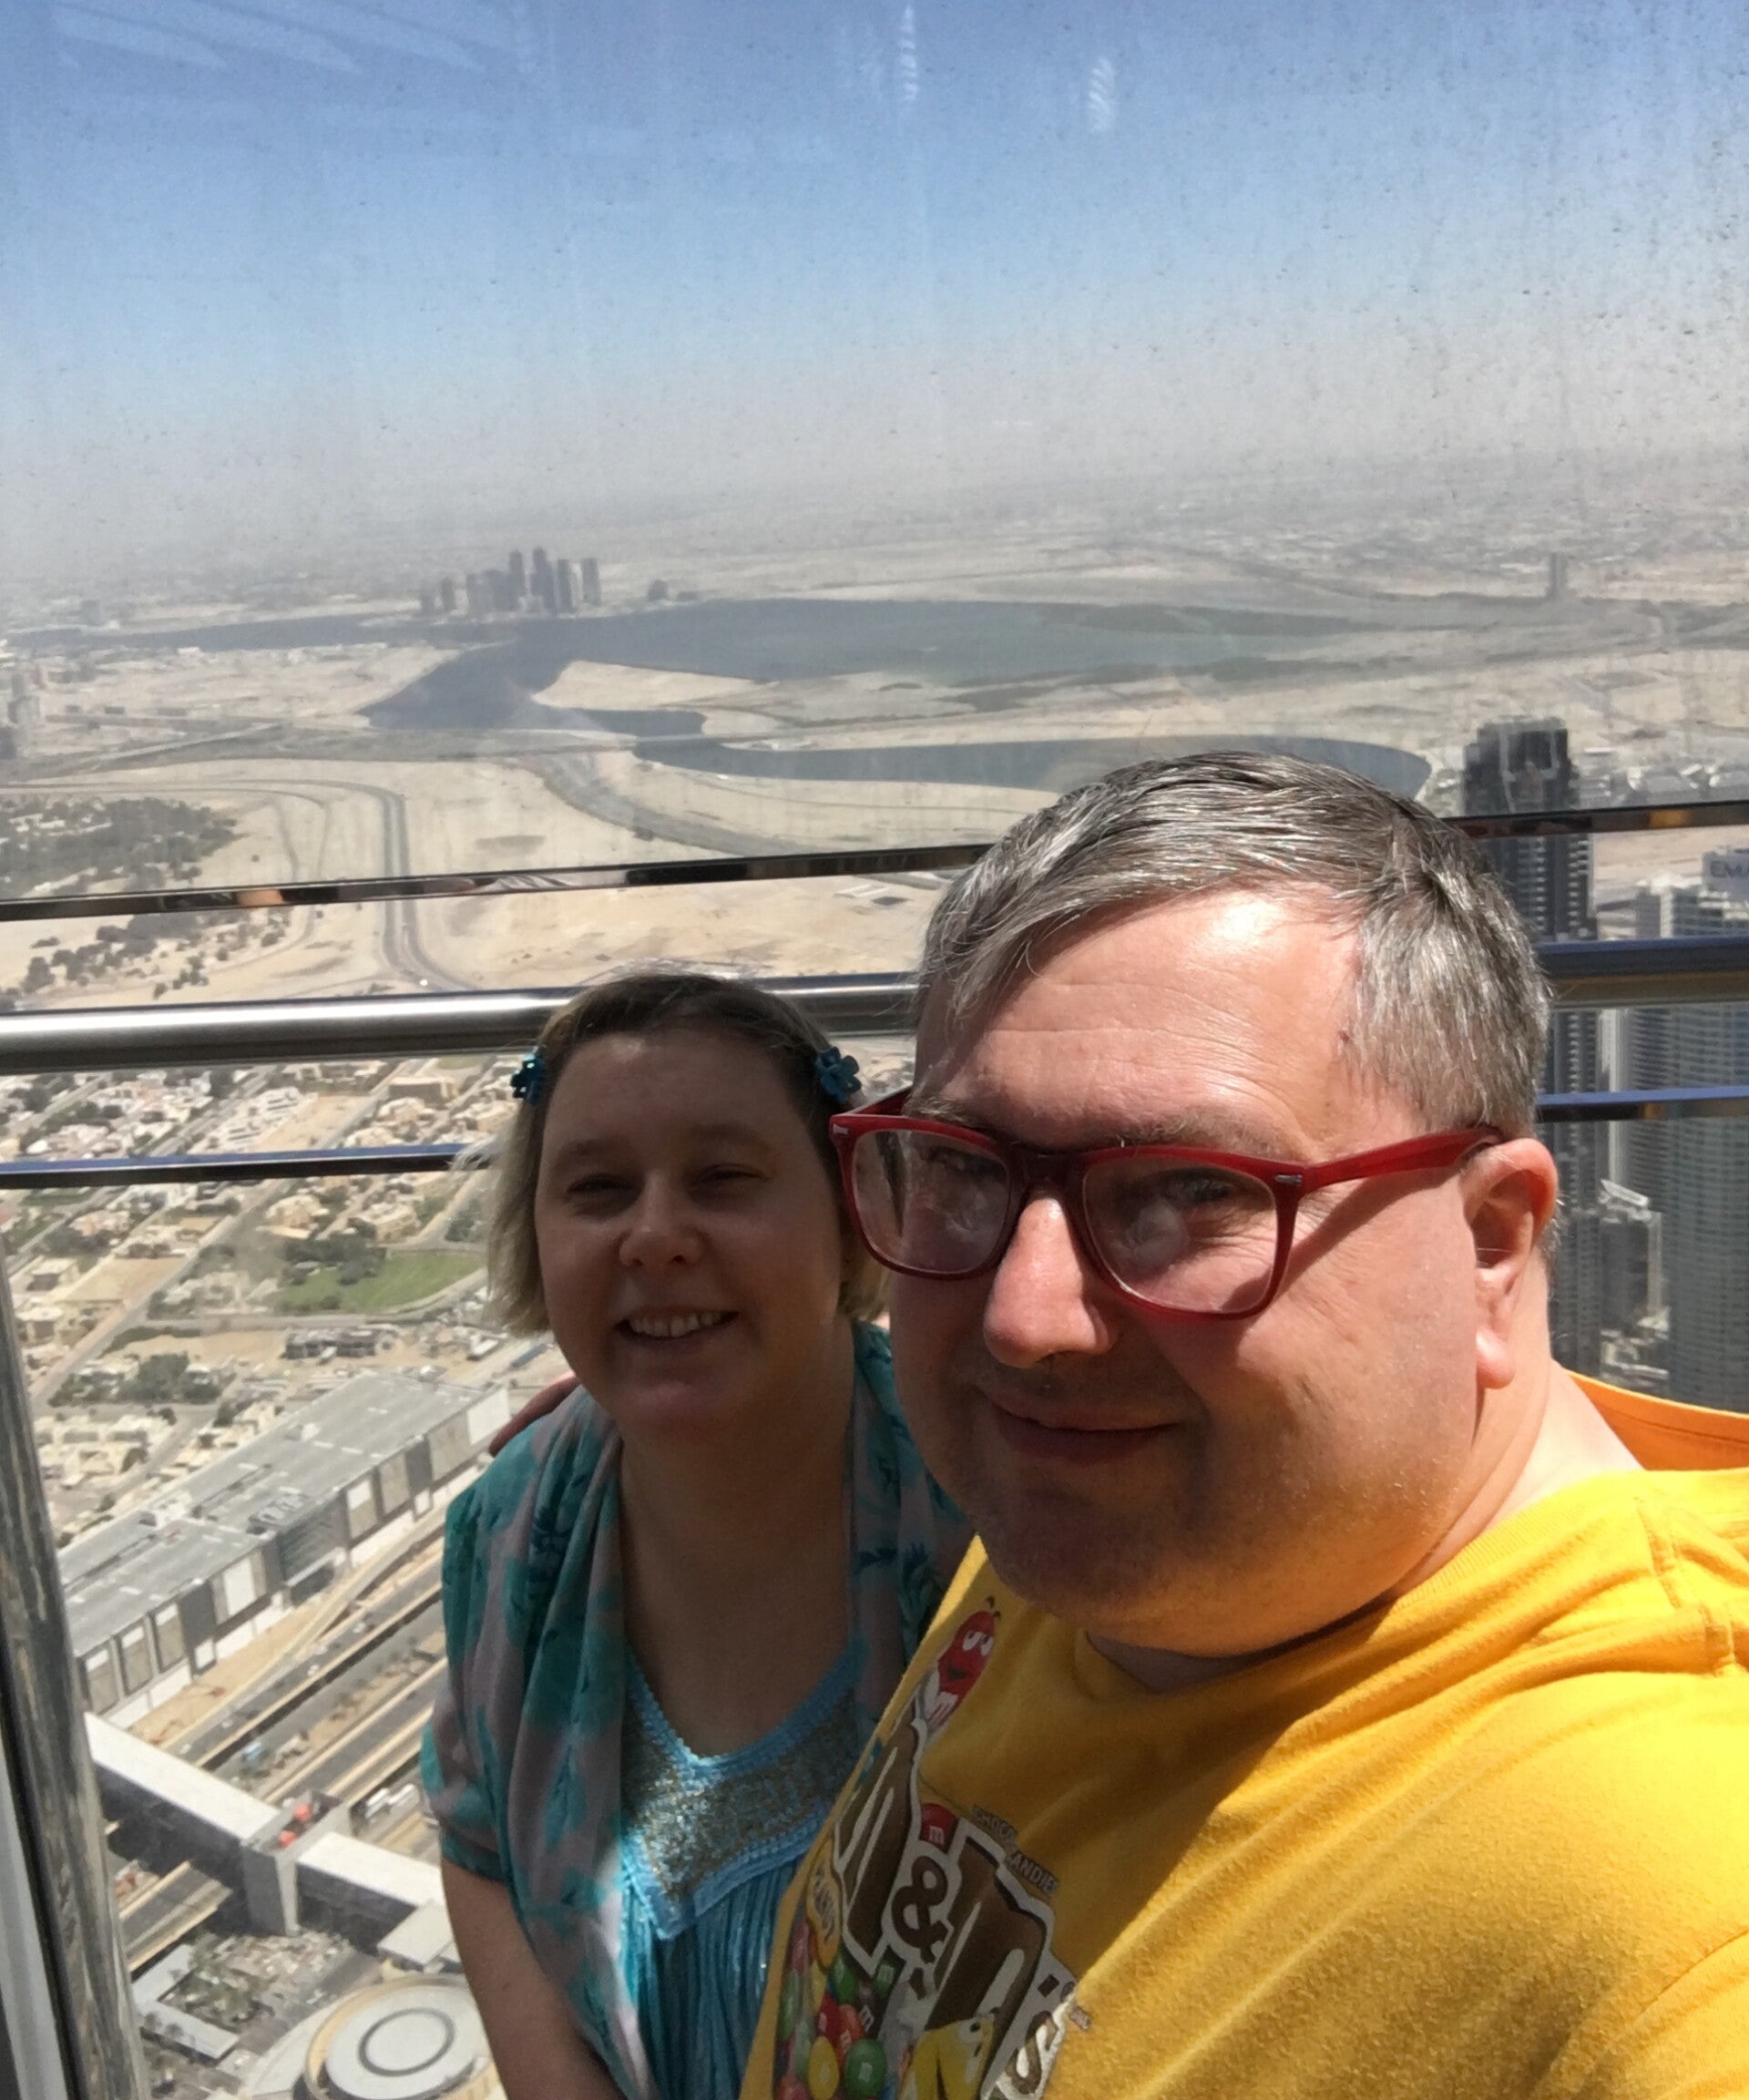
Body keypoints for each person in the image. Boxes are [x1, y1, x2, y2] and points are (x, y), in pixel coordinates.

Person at [741, 752, 1749, 2100]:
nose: (1026, 1319)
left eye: (1187, 1192)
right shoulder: (1132, 1509)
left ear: (1490, 1243)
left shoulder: (1674, 1920)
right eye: (962, 1167)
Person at [421, 972, 968, 2100]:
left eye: (723, 1178)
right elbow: (478, 1844)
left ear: (849, 1210)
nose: (656, 1236)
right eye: (598, 1189)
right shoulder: (514, 1530)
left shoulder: (988, 1509)